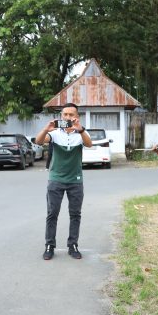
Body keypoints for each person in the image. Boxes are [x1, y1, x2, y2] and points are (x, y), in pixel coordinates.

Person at [35, 103, 92, 260]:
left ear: (76, 117)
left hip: (76, 180)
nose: (68, 117)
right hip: (56, 179)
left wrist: (80, 129)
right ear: (61, 116)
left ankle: (72, 245)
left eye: (71, 115)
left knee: (75, 214)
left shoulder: (80, 134)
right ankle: (49, 245)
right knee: (52, 214)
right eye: (65, 114)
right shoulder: (55, 133)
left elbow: (89, 144)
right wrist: (46, 129)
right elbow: (39, 141)